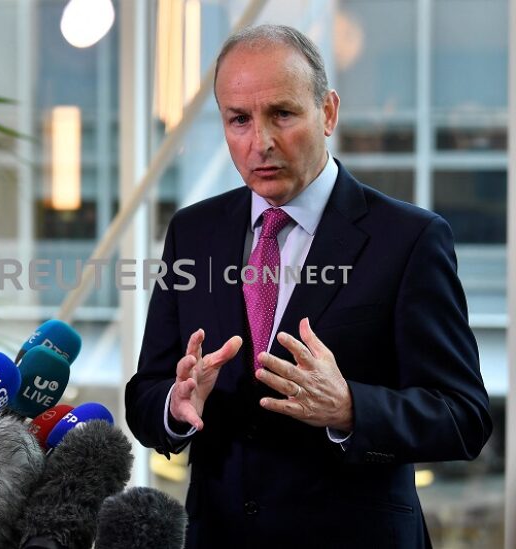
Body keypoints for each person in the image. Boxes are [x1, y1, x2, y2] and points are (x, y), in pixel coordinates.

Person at [125, 24, 492, 548]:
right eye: (239, 120)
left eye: (282, 114)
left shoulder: (410, 239)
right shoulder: (193, 231)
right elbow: (146, 393)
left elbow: (464, 417)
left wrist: (349, 408)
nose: (261, 142)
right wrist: (174, 405)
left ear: (328, 113)